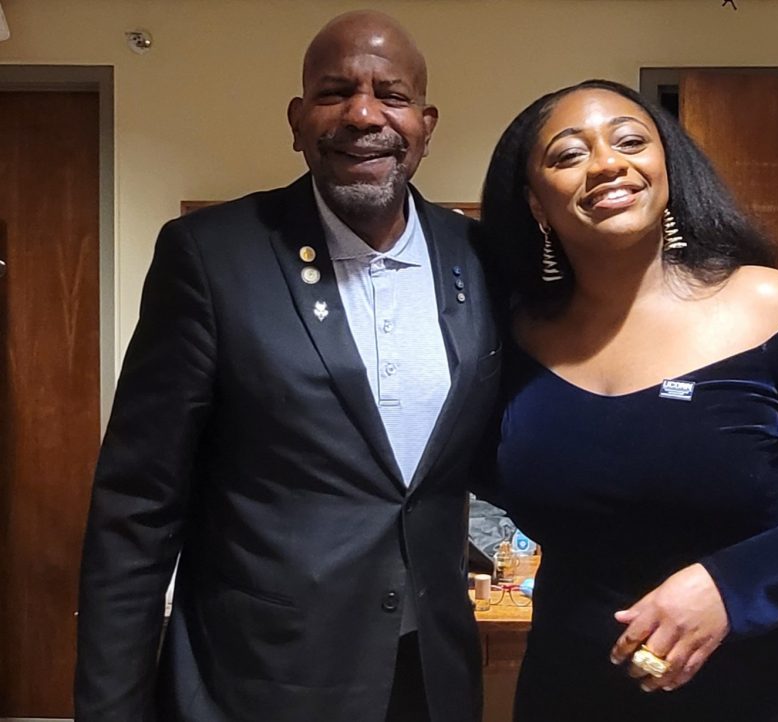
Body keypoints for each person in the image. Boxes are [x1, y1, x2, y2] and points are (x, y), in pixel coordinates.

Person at [75, 11, 501, 722]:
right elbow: (136, 510)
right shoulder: (212, 257)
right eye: (336, 92)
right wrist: (112, 708)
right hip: (258, 679)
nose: (364, 115)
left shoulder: (479, 258)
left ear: (426, 124)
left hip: (430, 677)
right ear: (298, 120)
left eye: (390, 96)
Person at [480, 79, 778, 721]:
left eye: (631, 141)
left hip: (766, 686)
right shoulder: (509, 339)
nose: (607, 162)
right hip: (575, 688)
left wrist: (731, 587)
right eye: (569, 154)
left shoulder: (765, 305)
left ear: (667, 169)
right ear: (536, 203)